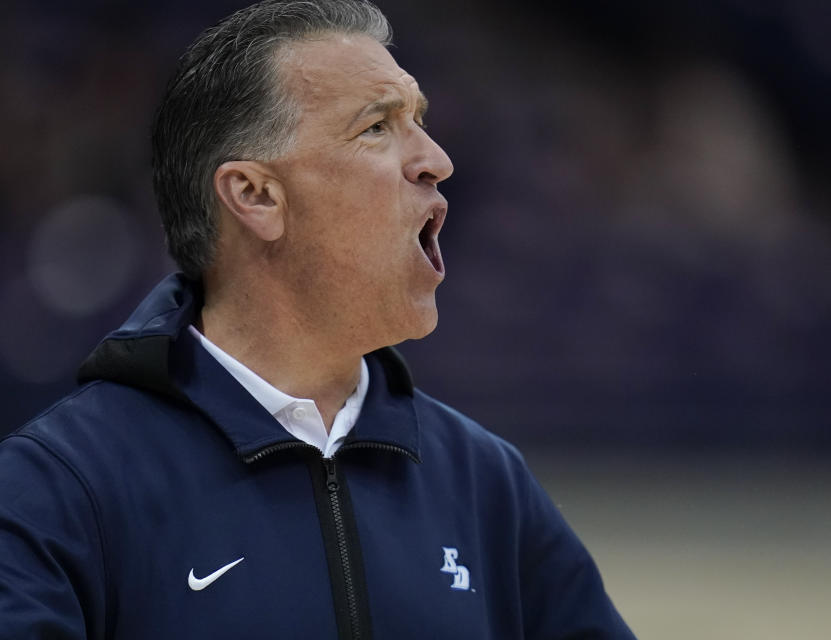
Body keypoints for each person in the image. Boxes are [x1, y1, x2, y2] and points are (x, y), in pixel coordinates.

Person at [0, 1, 635, 638]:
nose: (436, 159)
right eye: (378, 127)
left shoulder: (486, 484)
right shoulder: (59, 488)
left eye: (419, 119)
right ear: (255, 195)